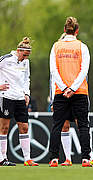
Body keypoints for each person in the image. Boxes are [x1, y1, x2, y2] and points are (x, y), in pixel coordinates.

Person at [49, 17, 92, 167]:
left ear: (64, 30)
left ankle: (54, 158)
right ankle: (86, 158)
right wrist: (73, 88)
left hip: (61, 92)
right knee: (83, 126)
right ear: (77, 31)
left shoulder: (56, 46)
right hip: (79, 91)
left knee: (57, 125)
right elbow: (84, 70)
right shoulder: (82, 47)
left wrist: (64, 88)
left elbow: (53, 70)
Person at [0, 37, 39, 166]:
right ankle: (2, 158)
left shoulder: (26, 62)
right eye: (24, 55)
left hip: (20, 98)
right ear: (18, 51)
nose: (25, 58)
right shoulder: (5, 60)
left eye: (28, 56)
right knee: (4, 128)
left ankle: (27, 159)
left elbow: (26, 78)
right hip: (6, 97)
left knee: (24, 127)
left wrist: (26, 93)